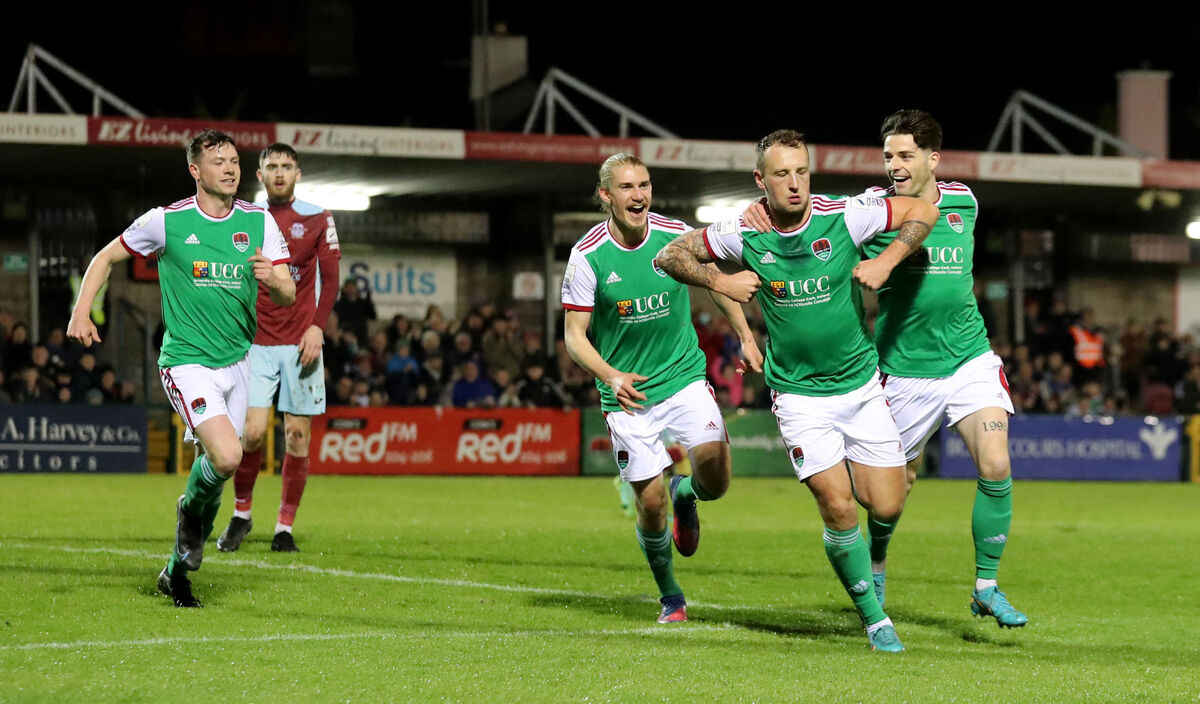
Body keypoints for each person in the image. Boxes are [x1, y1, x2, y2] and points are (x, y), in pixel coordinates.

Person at [744, 112, 1027, 628]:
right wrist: (759, 209)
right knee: (890, 497)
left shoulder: (965, 201)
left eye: (905, 155)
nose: (894, 165)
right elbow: (813, 215)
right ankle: (875, 564)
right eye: (888, 156)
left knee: (996, 462)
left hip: (969, 359)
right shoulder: (871, 209)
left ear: (932, 159)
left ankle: (986, 585)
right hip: (902, 370)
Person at [658, 129, 938, 651]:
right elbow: (671, 256)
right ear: (761, 181)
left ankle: (863, 558)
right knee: (838, 508)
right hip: (800, 398)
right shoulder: (743, 231)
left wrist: (886, 260)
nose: (795, 184)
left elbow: (922, 209)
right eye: (782, 174)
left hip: (860, 388)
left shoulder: (846, 215)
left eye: (802, 171)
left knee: (888, 504)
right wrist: (720, 282)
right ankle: (875, 618)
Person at [67, 130, 295, 607]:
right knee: (228, 457)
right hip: (188, 362)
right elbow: (106, 257)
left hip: (238, 361)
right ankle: (190, 515)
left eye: (234, 160)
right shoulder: (167, 222)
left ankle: (176, 569)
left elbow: (287, 293)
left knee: (219, 465)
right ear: (196, 171)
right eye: (218, 161)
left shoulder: (260, 222)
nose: (230, 168)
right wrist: (81, 309)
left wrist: (275, 279)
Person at [561, 152, 761, 624]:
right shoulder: (588, 255)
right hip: (627, 394)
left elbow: (716, 283)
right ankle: (671, 595)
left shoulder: (676, 236)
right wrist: (610, 375)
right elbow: (574, 337)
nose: (639, 196)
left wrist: (746, 336)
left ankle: (686, 494)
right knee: (649, 506)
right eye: (628, 188)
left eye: (645, 185)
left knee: (718, 477)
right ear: (606, 196)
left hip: (683, 377)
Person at [215, 143, 341, 556]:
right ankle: (242, 514)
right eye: (273, 166)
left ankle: (284, 527)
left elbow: (332, 278)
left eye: (287, 166)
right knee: (251, 434)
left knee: (298, 436)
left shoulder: (318, 218)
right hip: (254, 343)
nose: (280, 173)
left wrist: (318, 328)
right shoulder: (245, 217)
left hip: (302, 342)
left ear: (298, 174)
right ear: (260, 174)